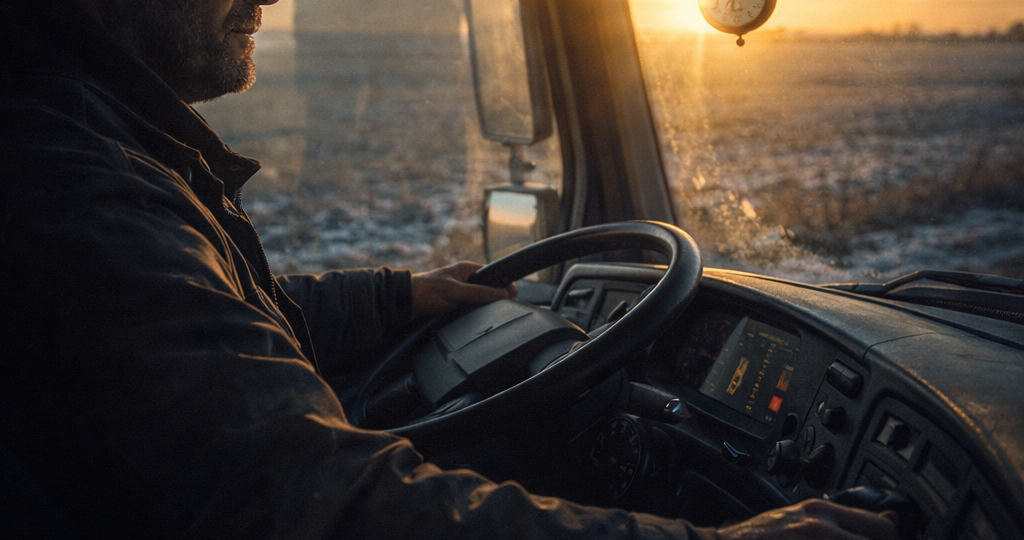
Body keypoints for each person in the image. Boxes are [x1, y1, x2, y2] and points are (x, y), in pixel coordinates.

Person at [0, 0, 901, 538]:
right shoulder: (78, 194)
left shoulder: (94, 150)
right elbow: (318, 507)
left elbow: (220, 323)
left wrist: (399, 298)